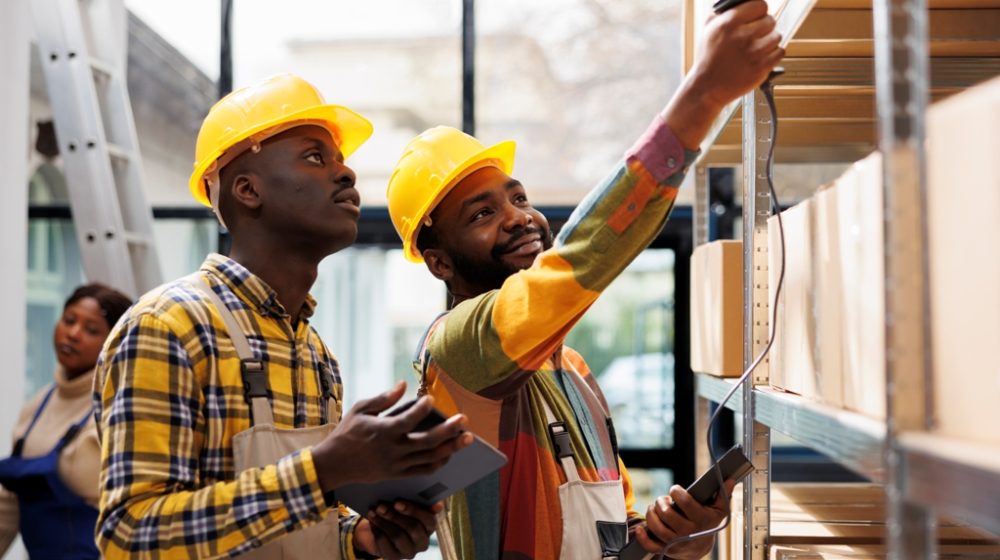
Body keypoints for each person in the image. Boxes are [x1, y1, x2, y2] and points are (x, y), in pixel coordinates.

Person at [384, 2, 783, 558]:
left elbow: (613, 539)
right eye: (482, 214)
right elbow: (581, 260)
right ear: (441, 263)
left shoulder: (573, 371)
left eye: (517, 197)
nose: (519, 217)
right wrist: (702, 96)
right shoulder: (456, 353)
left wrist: (673, 542)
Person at [92, 73, 472, 560]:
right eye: (316, 157)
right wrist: (320, 472)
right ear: (248, 190)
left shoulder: (316, 356)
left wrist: (359, 541)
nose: (347, 174)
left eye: (341, 160)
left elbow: (308, 525)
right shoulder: (168, 327)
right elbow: (129, 535)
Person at [0, 283, 132, 559]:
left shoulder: (117, 410)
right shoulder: (39, 404)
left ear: (114, 341)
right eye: (69, 320)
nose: (73, 333)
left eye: (91, 329)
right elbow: (9, 503)